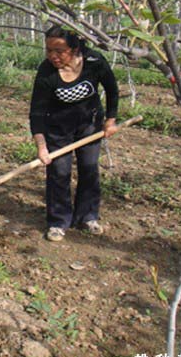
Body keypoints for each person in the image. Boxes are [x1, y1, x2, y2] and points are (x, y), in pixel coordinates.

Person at [29, 25, 119, 242]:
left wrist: (110, 120)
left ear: (75, 48)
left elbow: (112, 89)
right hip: (58, 129)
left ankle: (88, 216)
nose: (53, 56)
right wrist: (42, 146)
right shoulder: (46, 72)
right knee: (59, 173)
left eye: (59, 51)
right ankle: (58, 221)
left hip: (89, 126)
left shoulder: (94, 62)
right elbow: (37, 113)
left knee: (89, 169)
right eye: (49, 50)